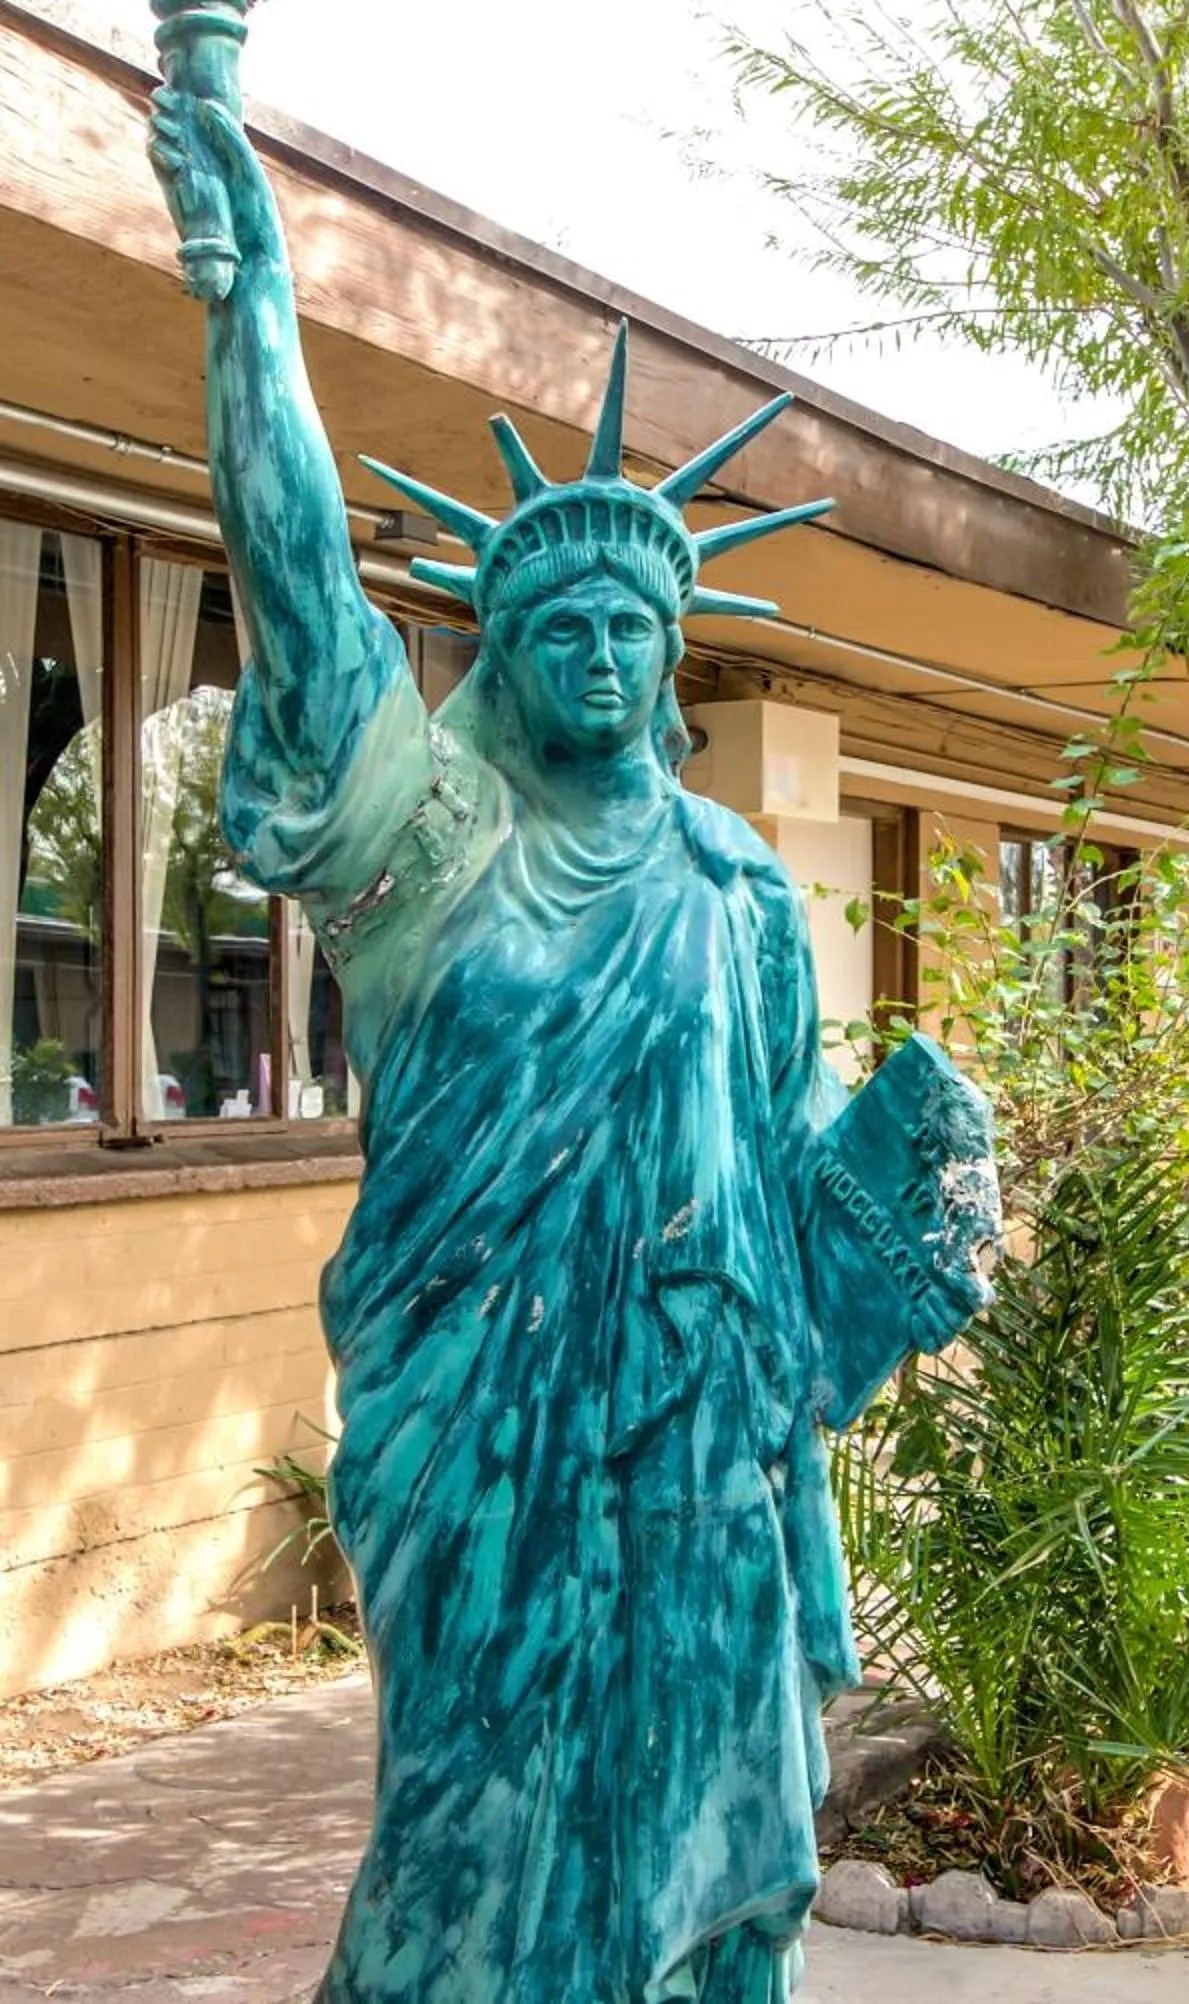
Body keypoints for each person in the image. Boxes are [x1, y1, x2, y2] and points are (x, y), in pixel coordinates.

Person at [147, 65, 997, 2004]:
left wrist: (892, 1233)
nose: (603, 654)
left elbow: (778, 1172)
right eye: (563, 631)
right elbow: (294, 578)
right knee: (472, 1833)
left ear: (674, 659)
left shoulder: (736, 892)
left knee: (705, 1835)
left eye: (635, 627)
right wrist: (244, 287)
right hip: (481, 1437)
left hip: (702, 1440)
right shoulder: (429, 839)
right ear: (508, 663)